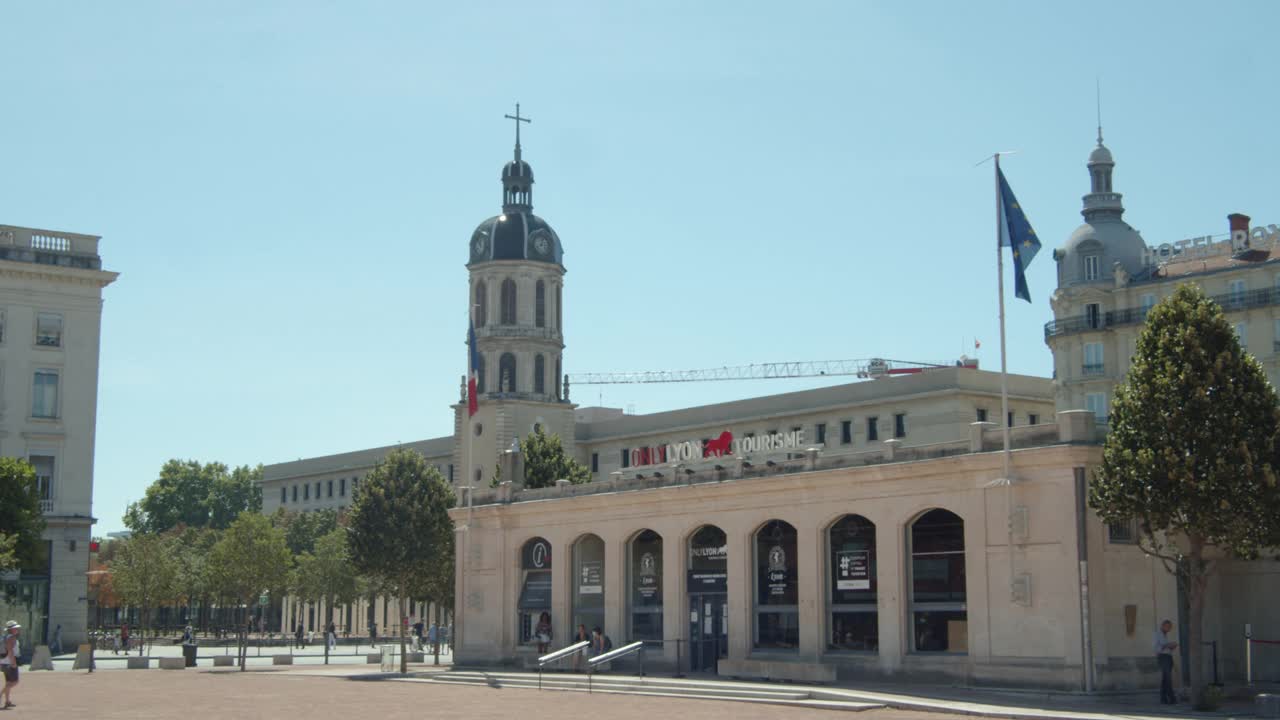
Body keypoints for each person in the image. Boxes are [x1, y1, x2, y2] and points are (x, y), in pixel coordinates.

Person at [1154, 619, 1179, 704]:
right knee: (1168, 679)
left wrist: (1172, 646)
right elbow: (1159, 647)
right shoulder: (1158, 634)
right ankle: (1171, 698)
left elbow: (1166, 647)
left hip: (1168, 657)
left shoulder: (1164, 635)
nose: (1169, 629)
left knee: (1165, 679)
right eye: (1168, 627)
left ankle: (1163, 698)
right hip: (1163, 657)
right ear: (1163, 626)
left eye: (1170, 627)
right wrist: (1170, 645)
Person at [1, 620, 20, 709]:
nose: (17, 629)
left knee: (8, 682)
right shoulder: (11, 638)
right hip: (9, 662)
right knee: (14, 682)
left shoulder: (4, 637)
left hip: (3, 662)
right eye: (15, 628)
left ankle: (7, 701)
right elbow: (10, 651)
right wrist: (13, 663)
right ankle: (1, 695)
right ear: (11, 629)